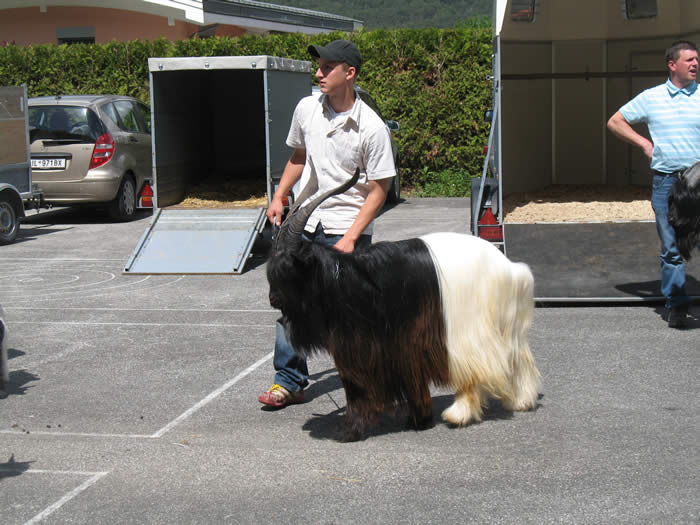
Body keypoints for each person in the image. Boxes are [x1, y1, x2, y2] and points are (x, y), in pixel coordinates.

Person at [259, 39, 397, 407]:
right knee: (292, 302)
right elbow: (299, 157)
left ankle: (365, 384)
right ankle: (289, 381)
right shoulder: (307, 109)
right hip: (305, 223)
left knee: (348, 314)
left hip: (345, 228)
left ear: (349, 73)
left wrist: (352, 238)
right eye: (318, 66)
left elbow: (380, 190)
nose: (318, 73)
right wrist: (279, 196)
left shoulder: (371, 128)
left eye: (327, 67)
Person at [607, 40, 699, 328]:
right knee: (671, 248)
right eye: (689, 60)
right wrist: (644, 143)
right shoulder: (652, 97)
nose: (695, 64)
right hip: (667, 183)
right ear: (672, 65)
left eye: (697, 59)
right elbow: (615, 121)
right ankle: (677, 307)